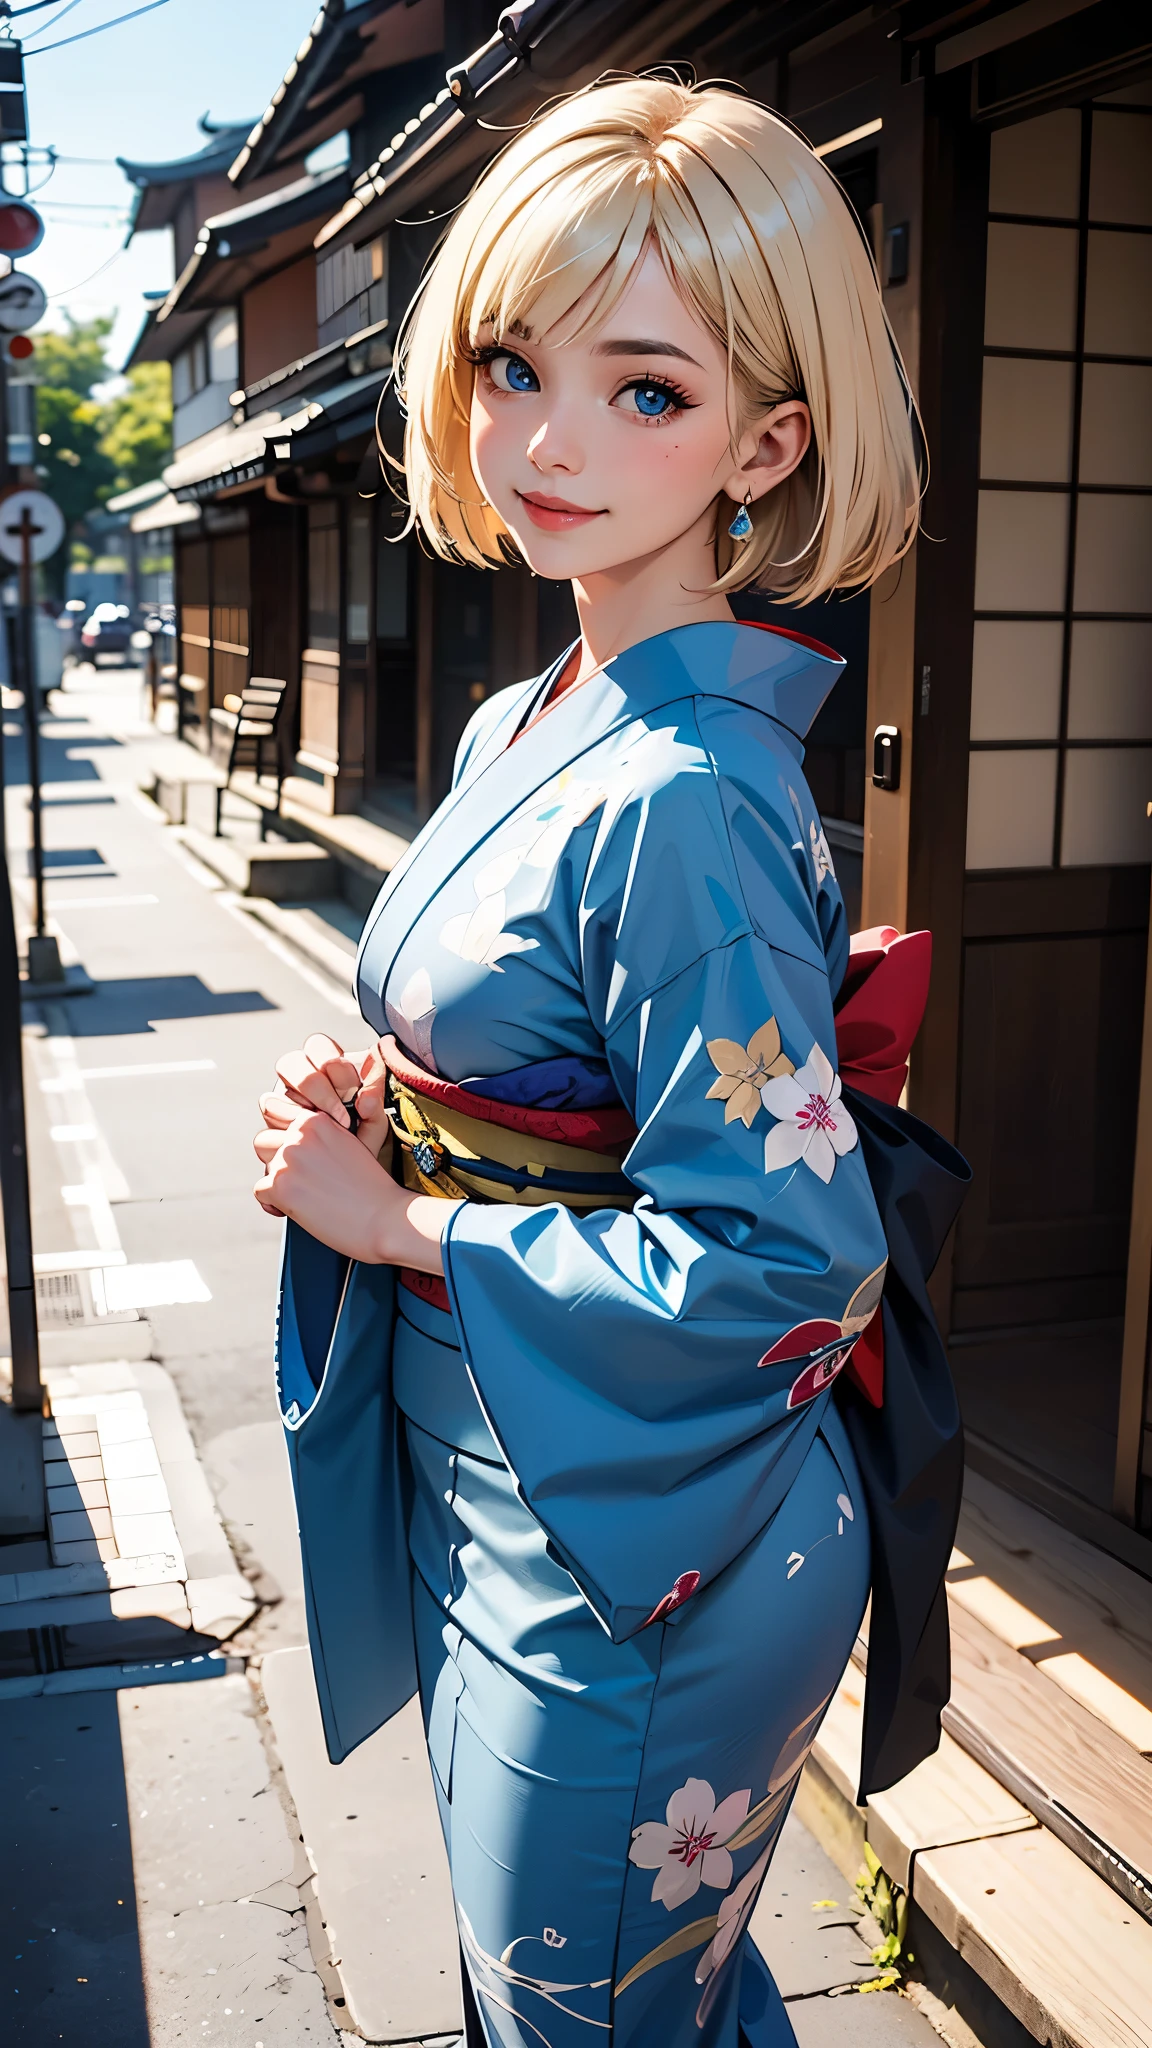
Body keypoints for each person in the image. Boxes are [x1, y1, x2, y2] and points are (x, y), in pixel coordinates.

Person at [253, 76, 965, 2048]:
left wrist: (396, 1222)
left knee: (588, 2015)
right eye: (512, 365)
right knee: (613, 2007)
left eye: (645, 391)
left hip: (642, 1543)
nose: (548, 440)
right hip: (537, 1464)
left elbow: (788, 1263)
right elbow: (535, 1071)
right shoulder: (521, 725)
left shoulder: (684, 796)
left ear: (772, 438)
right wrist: (378, 1104)